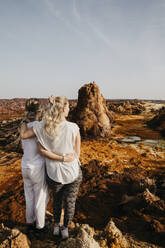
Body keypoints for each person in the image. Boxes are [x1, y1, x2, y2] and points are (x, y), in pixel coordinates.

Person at [20, 96, 82, 240]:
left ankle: (50, 225)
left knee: (52, 200)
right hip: (66, 171)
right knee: (66, 201)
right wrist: (65, 159)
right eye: (67, 106)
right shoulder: (72, 127)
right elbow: (77, 154)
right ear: (63, 109)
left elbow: (37, 146)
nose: (69, 108)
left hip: (46, 171)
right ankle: (60, 228)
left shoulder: (41, 126)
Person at [20, 98, 49, 234]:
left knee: (29, 196)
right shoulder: (38, 125)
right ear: (39, 111)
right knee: (40, 197)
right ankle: (40, 227)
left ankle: (30, 222)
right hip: (36, 166)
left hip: (25, 165)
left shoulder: (24, 125)